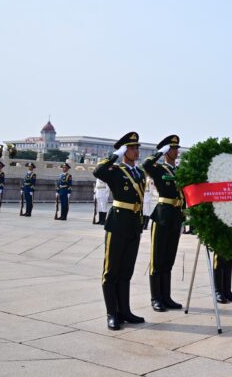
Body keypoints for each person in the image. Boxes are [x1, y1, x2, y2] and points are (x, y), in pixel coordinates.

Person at [93, 132, 146, 330]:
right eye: (132, 148)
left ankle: (125, 310)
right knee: (111, 270)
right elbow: (98, 171)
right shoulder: (115, 170)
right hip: (117, 223)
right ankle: (112, 313)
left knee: (126, 271)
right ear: (125, 151)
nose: (136, 151)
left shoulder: (139, 173)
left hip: (134, 223)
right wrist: (115, 155)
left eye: (136, 148)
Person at [142, 135, 184, 312]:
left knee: (169, 259)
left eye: (176, 148)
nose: (176, 151)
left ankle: (166, 297)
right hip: (162, 215)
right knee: (157, 259)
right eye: (173, 148)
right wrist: (159, 152)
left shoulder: (180, 170)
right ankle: (156, 298)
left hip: (176, 216)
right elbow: (146, 165)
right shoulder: (159, 169)